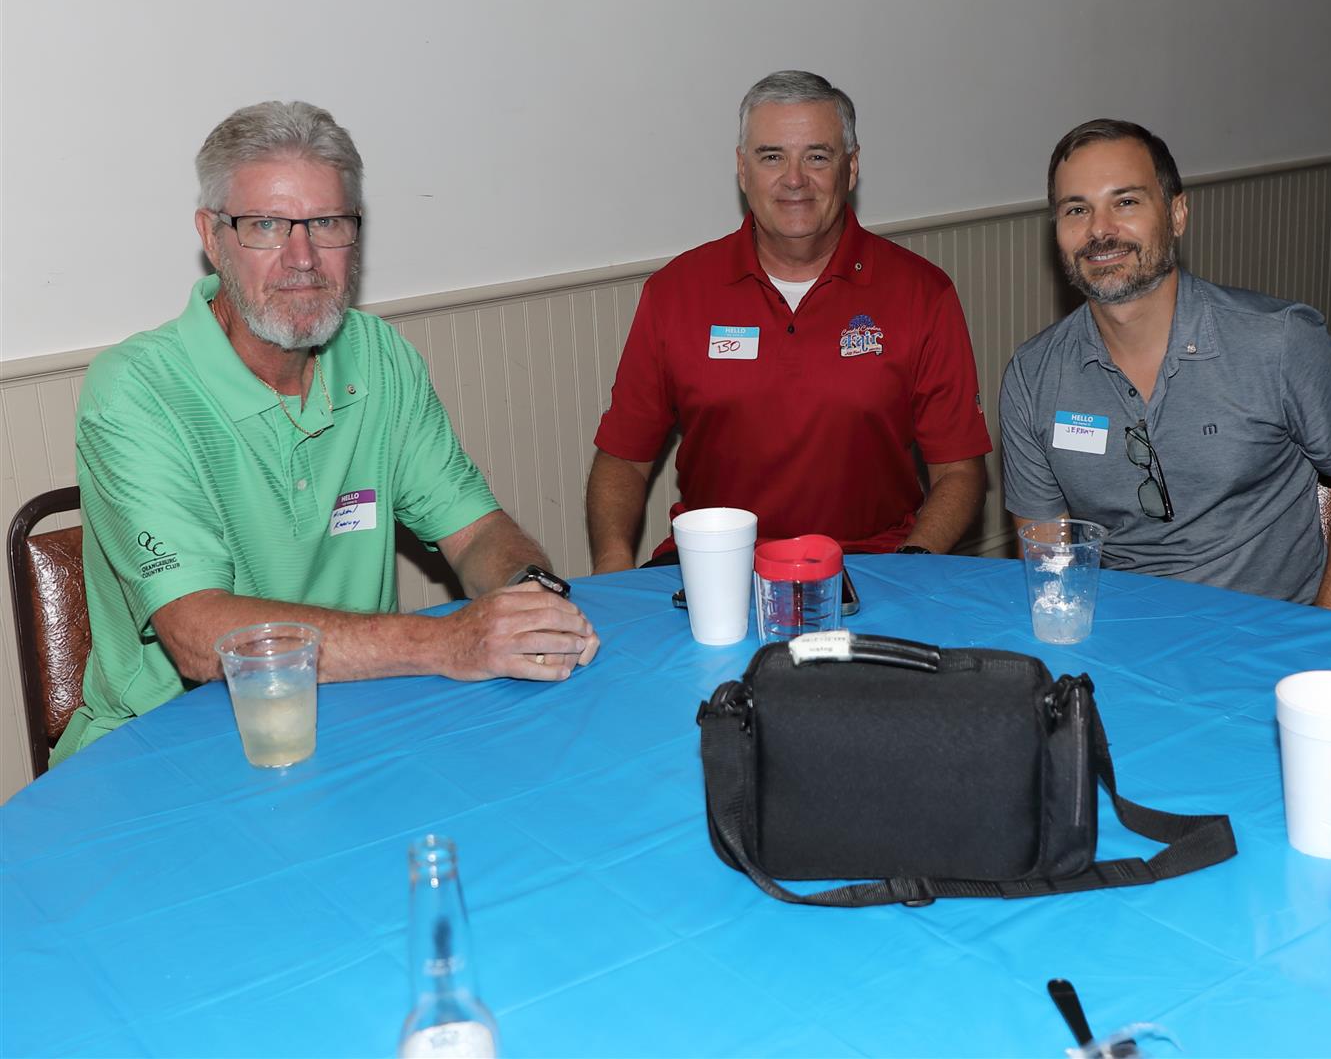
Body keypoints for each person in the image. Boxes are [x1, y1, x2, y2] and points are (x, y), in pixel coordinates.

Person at [54, 102, 598, 765]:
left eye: (328, 223)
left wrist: (527, 593)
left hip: (359, 724)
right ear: (213, 238)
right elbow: (198, 636)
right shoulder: (137, 390)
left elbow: (478, 531)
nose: (303, 258)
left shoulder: (379, 356)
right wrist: (446, 642)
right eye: (265, 225)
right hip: (170, 752)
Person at [587, 71, 989, 568]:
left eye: (817, 157)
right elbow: (623, 458)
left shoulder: (922, 293)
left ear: (851, 168)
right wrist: (612, 571)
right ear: (742, 169)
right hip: (712, 564)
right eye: (772, 156)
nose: (794, 179)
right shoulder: (675, 292)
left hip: (874, 566)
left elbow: (958, 471)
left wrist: (912, 566)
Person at [999, 119, 1331, 607]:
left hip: (1269, 633)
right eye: (1077, 210)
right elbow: (1047, 553)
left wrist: (1326, 628)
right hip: (1122, 632)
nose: (1100, 230)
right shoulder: (1033, 376)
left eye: (1125, 202)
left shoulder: (1279, 343)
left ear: (1176, 214)